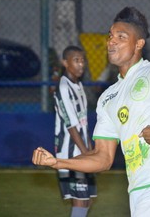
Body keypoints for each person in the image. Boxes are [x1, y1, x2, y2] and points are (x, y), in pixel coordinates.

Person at [33, 7, 150, 216]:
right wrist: (57, 162)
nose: (111, 41)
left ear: (139, 44)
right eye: (110, 36)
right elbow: (102, 158)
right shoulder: (108, 97)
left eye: (121, 36)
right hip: (137, 191)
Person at [53, 45, 97, 217]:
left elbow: (82, 123)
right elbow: (71, 126)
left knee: (87, 199)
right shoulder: (64, 88)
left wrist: (92, 149)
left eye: (82, 60)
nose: (81, 65)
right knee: (80, 199)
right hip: (71, 153)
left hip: (83, 149)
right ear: (65, 62)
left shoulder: (78, 85)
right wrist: (87, 154)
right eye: (76, 60)